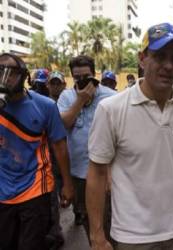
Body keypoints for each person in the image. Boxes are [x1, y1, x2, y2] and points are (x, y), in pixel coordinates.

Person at [86, 22, 173, 250]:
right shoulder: (111, 109)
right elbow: (97, 172)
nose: (168, 66)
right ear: (142, 59)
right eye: (159, 56)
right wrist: (97, 234)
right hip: (134, 236)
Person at [0, 53, 74, 250]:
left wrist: (67, 183)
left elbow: (59, 145)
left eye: (10, 73)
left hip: (35, 189)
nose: (4, 78)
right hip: (3, 191)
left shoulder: (45, 106)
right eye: (0, 72)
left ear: (24, 76)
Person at [57, 55, 116, 236]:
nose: (82, 81)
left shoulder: (111, 97)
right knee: (90, 223)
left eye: (86, 76)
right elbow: (63, 124)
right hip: (80, 174)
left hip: (108, 173)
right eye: (77, 78)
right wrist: (80, 100)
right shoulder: (66, 97)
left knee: (112, 223)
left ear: (94, 73)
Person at [45, 71, 67, 250]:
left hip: (66, 155)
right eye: (52, 83)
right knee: (52, 198)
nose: (55, 86)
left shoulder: (67, 102)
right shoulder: (43, 105)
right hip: (49, 158)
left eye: (58, 83)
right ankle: (55, 231)